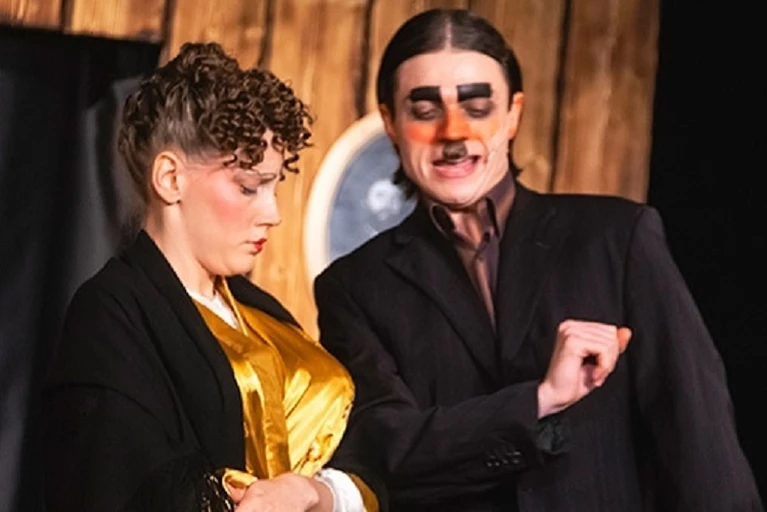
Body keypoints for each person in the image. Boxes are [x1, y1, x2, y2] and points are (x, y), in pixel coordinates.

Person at [314, 8, 762, 511]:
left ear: (513, 114)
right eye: (424, 110)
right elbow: (387, 452)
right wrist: (540, 400)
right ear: (391, 123)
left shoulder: (618, 237)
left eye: (477, 106)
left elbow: (698, 435)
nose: (453, 132)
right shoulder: (352, 287)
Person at [42, 42, 380, 512]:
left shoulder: (259, 309)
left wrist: (318, 492)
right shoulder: (111, 315)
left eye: (274, 187)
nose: (273, 214)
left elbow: (361, 448)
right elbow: (121, 483)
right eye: (248, 187)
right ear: (170, 178)